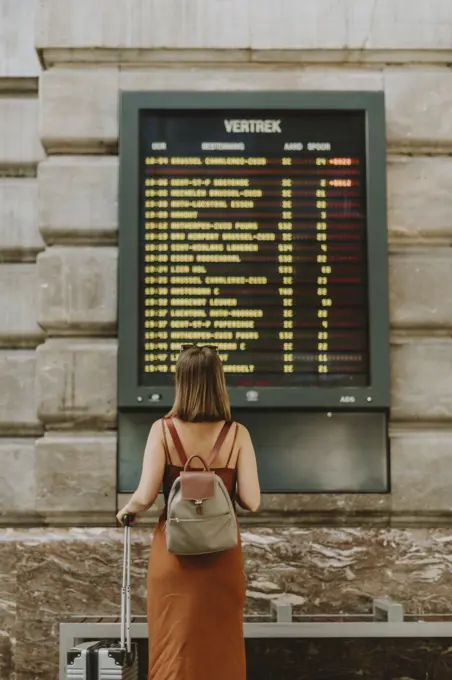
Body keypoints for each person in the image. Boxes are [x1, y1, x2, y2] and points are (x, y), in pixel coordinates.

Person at [117, 344, 261, 680]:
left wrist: (127, 510)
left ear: (182, 382)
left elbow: (145, 495)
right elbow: (252, 501)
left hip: (174, 555)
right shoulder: (237, 434)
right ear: (218, 382)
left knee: (174, 649)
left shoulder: (163, 430)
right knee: (220, 651)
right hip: (222, 556)